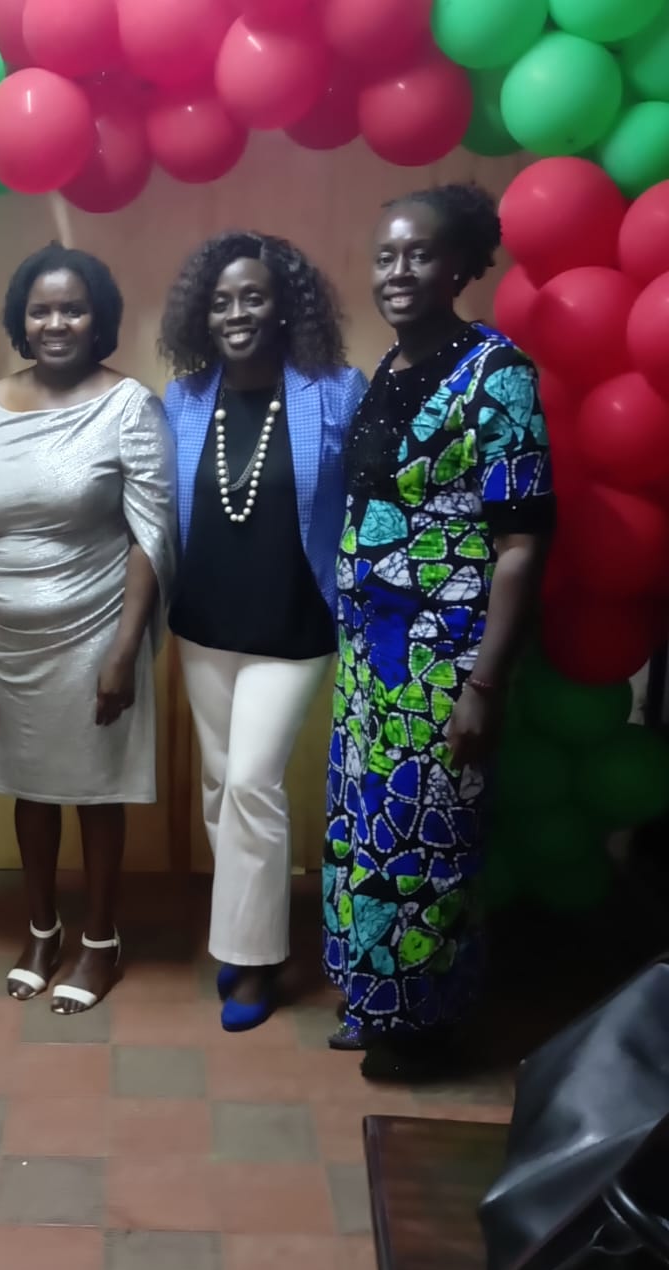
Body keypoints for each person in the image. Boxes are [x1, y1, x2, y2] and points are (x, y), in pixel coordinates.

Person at [323, 184, 554, 1080]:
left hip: (443, 663)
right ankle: (377, 998)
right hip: (371, 661)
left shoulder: (497, 372)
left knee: (431, 844)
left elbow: (522, 544)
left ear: (462, 265)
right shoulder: (390, 367)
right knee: (369, 833)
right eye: (386, 256)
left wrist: (485, 686)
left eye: (419, 255)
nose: (398, 272)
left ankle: (426, 1024)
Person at [0, 244, 176, 1015]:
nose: (57, 322)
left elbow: (152, 535)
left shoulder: (128, 406)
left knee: (93, 789)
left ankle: (100, 941)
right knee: (29, 787)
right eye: (42, 309)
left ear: (99, 319)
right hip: (2, 634)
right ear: (22, 318)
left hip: (92, 627)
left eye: (73, 308)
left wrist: (125, 649)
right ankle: (42, 930)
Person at [159, 232, 367, 1034]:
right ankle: (245, 925)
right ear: (200, 315)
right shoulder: (182, 400)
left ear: (285, 304)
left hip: (295, 623)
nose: (236, 313)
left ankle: (256, 960)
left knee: (250, 781)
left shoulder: (335, 392)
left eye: (252, 297)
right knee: (222, 791)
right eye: (220, 301)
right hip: (204, 624)